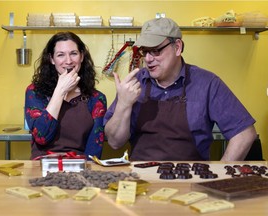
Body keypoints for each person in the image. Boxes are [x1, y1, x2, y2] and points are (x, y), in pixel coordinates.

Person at [104, 17, 257, 161]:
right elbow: (114, 142)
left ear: (177, 47)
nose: (149, 59)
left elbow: (244, 133)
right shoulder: (135, 83)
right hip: (141, 178)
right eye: (145, 51)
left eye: (156, 50)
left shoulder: (207, 83)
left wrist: (220, 175)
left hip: (191, 180)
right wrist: (123, 104)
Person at [25, 31, 107, 160]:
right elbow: (41, 137)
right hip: (42, 166)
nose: (68, 61)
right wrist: (60, 91)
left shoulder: (96, 98)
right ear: (52, 59)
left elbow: (94, 150)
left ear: (81, 56)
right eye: (60, 55)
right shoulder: (35, 92)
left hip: (79, 167)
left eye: (73, 53)